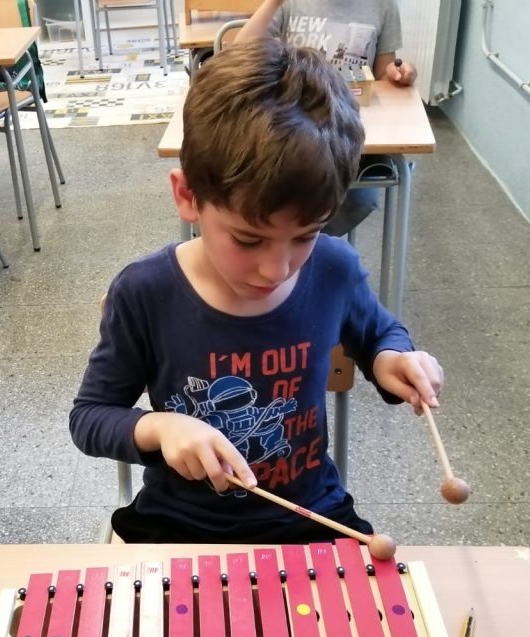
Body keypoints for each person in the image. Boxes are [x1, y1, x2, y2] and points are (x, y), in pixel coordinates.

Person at [69, 39, 443, 544]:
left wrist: (394, 358)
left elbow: (379, 334)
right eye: (248, 240)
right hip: (179, 525)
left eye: (306, 236)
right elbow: (90, 418)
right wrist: (161, 427)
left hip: (310, 518)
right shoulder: (145, 292)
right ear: (188, 196)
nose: (276, 269)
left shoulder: (334, 268)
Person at [235, 0, 418, 237]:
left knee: (357, 199)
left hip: (349, 131)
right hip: (295, 127)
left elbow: (382, 75)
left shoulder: (383, 6)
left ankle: (308, 242)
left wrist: (397, 74)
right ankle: (298, 242)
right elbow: (237, 55)